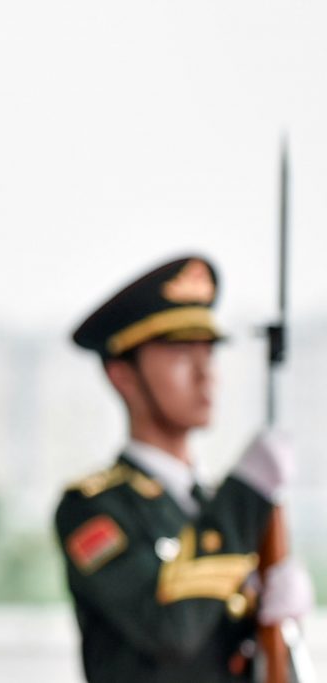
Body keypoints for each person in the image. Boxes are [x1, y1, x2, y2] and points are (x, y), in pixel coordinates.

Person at [55, 256, 313, 683]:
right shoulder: (94, 509)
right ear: (122, 374)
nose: (205, 373)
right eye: (180, 352)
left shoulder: (212, 507)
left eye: (208, 352)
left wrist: (279, 621)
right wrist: (246, 494)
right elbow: (169, 629)